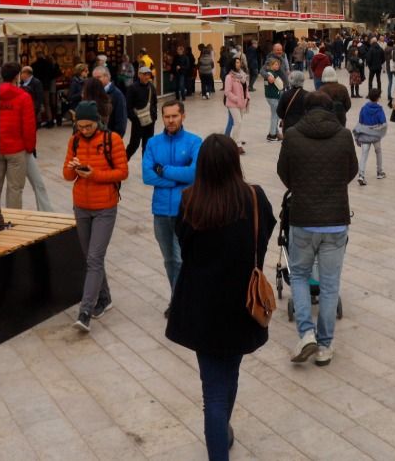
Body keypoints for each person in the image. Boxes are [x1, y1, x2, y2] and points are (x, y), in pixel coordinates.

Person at [165, 134, 275, 460]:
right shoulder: (254, 198)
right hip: (242, 304)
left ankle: (220, 436)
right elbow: (263, 239)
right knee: (231, 372)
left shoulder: (190, 200)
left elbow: (184, 245)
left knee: (212, 388)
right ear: (234, 162)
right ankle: (221, 431)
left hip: (202, 306)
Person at [276, 94, 358, 367]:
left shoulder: (292, 135)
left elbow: (283, 172)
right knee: (330, 283)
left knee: (299, 275)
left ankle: (306, 333)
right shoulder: (344, 135)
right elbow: (351, 171)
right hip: (335, 219)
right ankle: (324, 345)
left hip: (303, 218)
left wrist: (301, 187)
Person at [64, 101, 128, 332]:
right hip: (81, 206)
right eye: (80, 126)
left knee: (93, 257)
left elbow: (123, 172)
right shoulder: (74, 141)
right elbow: (66, 175)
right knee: (91, 258)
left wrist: (94, 174)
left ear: (97, 122)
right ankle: (105, 299)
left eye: (89, 126)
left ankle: (85, 311)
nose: (85, 130)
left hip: (105, 208)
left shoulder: (113, 140)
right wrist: (74, 168)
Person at [142, 100, 202, 295]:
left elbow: (194, 174)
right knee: (169, 260)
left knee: (181, 258)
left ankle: (180, 303)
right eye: (166, 116)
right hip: (160, 211)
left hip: (184, 210)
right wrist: (177, 181)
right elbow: (147, 175)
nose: (170, 120)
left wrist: (165, 171)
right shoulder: (153, 143)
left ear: (183, 116)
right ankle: (178, 297)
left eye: (174, 116)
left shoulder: (194, 142)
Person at [0, 62, 53, 211]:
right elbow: (29, 126)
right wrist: (29, 147)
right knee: (14, 188)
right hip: (16, 148)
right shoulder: (23, 96)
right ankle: (12, 220)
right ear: (17, 76)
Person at [353, 85, 388, 185]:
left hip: (365, 135)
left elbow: (360, 122)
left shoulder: (364, 108)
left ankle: (361, 175)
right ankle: (379, 172)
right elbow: (383, 123)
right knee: (378, 152)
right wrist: (376, 129)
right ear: (378, 98)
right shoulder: (379, 109)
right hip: (376, 136)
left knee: (364, 155)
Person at [126, 65, 158, 158]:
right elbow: (128, 106)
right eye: (144, 74)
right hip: (137, 123)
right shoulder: (132, 88)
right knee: (133, 145)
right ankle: (122, 164)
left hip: (150, 122)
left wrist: (154, 116)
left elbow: (154, 102)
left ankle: (146, 168)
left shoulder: (151, 87)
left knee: (147, 146)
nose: (146, 77)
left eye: (148, 74)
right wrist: (134, 119)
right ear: (139, 75)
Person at [93, 64, 129, 138]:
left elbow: (121, 122)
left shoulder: (117, 95)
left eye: (98, 77)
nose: (95, 81)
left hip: (110, 138)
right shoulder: (93, 92)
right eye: (94, 78)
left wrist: (115, 139)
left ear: (107, 77)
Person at [222, 56, 250, 152]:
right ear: (233, 64)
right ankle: (236, 144)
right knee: (238, 122)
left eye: (239, 62)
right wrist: (237, 99)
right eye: (237, 62)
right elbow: (227, 92)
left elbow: (246, 88)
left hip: (242, 103)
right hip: (233, 104)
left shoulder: (242, 75)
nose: (239, 64)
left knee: (238, 123)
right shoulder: (229, 77)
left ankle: (235, 140)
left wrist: (247, 98)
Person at [262, 55, 286, 142]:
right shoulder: (272, 75)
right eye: (275, 65)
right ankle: (272, 135)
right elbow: (280, 85)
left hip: (269, 96)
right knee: (275, 116)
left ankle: (274, 132)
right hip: (273, 97)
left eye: (278, 65)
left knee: (274, 115)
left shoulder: (267, 74)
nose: (277, 66)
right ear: (270, 65)